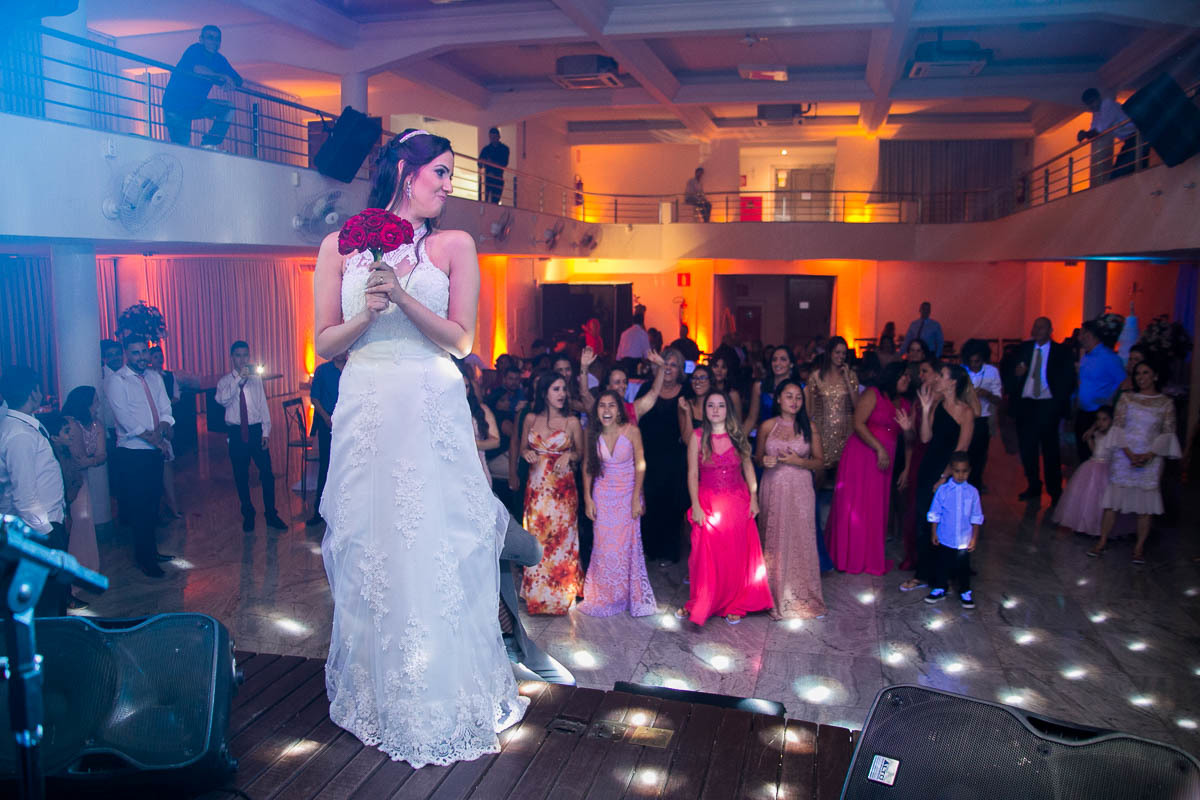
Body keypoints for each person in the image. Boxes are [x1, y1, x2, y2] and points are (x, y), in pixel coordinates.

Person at [315, 128, 528, 766]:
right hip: (366, 403)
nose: (447, 184)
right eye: (440, 171)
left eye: (449, 174)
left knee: (434, 543)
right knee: (371, 545)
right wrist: (368, 311)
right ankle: (377, 695)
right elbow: (325, 343)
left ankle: (442, 693)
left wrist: (403, 296)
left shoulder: (454, 244)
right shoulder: (338, 246)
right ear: (407, 174)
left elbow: (462, 341)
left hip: (429, 403)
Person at [678, 391, 773, 626]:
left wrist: (754, 497)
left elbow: (748, 467)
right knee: (704, 554)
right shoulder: (697, 437)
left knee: (735, 555)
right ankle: (704, 600)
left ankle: (735, 602)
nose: (715, 409)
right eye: (711, 405)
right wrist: (695, 505)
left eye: (720, 405)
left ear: (727, 409)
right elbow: (692, 474)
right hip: (708, 501)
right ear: (705, 410)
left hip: (737, 502)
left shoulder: (737, 435)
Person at [826, 362, 914, 576]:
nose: (907, 379)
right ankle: (847, 556)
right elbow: (858, 423)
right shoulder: (874, 394)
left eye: (908, 376)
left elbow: (910, 440)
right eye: (903, 375)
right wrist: (879, 448)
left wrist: (907, 464)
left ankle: (867, 556)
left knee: (875, 505)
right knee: (854, 504)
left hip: (884, 460)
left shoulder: (905, 403)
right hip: (861, 454)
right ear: (893, 376)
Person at [1090, 362, 1181, 564]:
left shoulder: (1165, 402)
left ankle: (1138, 548)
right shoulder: (1127, 398)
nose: (1141, 377)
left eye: (1145, 373)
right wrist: (1129, 454)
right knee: (1113, 501)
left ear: (1155, 375)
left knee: (1146, 506)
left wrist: (1149, 455)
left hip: (1151, 457)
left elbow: (1168, 432)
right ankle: (1102, 542)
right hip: (1125, 455)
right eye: (1138, 373)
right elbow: (1118, 427)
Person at [578, 390, 656, 617]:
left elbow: (640, 464)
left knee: (625, 546)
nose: (606, 410)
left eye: (611, 405)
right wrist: (587, 498)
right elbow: (587, 466)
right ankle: (605, 594)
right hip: (602, 494)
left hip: (627, 494)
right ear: (596, 410)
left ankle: (624, 594)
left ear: (619, 410)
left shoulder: (632, 431)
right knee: (603, 546)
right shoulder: (591, 432)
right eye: (602, 405)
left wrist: (636, 498)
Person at [105, 336, 176, 577]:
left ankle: (152, 551)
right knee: (139, 506)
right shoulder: (117, 381)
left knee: (153, 503)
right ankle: (144, 559)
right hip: (133, 453)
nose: (142, 357)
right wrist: (156, 439)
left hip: (155, 449)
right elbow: (125, 420)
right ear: (127, 354)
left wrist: (162, 430)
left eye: (144, 352)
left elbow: (166, 408)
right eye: (135, 353)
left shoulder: (155, 377)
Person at [0, 368, 68, 615]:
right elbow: (25, 498)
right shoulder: (19, 434)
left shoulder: (19, 426)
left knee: (50, 599)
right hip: (38, 531)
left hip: (40, 526)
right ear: (34, 393)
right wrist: (47, 534)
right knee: (47, 604)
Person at [901, 363, 974, 592]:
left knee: (946, 524)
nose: (937, 379)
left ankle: (943, 576)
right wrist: (924, 410)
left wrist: (944, 477)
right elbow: (925, 438)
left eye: (942, 375)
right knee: (924, 521)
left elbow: (962, 449)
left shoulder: (966, 412)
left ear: (953, 382)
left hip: (950, 473)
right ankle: (922, 574)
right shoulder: (937, 405)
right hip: (928, 467)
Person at [756, 380, 826, 619]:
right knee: (774, 539)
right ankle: (772, 596)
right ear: (778, 399)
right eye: (789, 396)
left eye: (798, 397)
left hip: (801, 489)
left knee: (801, 539)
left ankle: (802, 596)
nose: (794, 401)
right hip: (773, 488)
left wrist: (800, 461)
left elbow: (820, 463)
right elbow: (756, 458)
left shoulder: (809, 427)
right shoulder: (767, 426)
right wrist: (764, 460)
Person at [518, 372, 584, 614]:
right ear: (544, 392)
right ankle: (537, 595)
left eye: (564, 389)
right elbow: (522, 448)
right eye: (556, 389)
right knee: (536, 540)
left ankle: (561, 595)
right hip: (536, 491)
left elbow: (582, 454)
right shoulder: (530, 418)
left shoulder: (572, 422)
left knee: (562, 541)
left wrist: (570, 455)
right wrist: (526, 453)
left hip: (562, 493)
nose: (562, 394)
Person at [216, 341, 286, 533]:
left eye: (245, 355)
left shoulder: (256, 380)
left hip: (255, 431)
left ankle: (271, 514)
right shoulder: (225, 382)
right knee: (241, 475)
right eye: (238, 355)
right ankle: (248, 513)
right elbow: (223, 400)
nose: (242, 359)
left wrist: (266, 432)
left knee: (267, 474)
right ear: (232, 357)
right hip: (236, 433)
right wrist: (239, 378)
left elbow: (263, 405)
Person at [1004, 317, 1075, 504]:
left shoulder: (1061, 352)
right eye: (1035, 327)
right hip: (1026, 404)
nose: (1037, 330)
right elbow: (1009, 373)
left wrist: (1059, 404)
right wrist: (1017, 375)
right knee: (1028, 448)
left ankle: (1054, 489)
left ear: (1050, 330)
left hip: (1047, 404)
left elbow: (1068, 379)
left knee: (1050, 449)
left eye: (1041, 327)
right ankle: (1033, 485)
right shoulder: (1024, 349)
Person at [636, 348, 689, 564]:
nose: (668, 368)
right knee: (649, 500)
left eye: (673, 365)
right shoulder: (647, 389)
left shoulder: (686, 391)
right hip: (648, 454)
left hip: (674, 458)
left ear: (680, 370)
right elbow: (635, 419)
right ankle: (649, 550)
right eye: (665, 363)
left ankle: (669, 552)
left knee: (672, 504)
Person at [59, 386, 107, 605]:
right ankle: (73, 578)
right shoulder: (70, 424)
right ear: (85, 403)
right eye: (95, 401)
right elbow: (77, 459)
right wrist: (92, 460)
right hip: (68, 478)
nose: (98, 405)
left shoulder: (97, 424)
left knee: (84, 523)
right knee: (78, 522)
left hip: (82, 478)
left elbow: (102, 455)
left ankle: (86, 571)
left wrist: (91, 460)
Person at [161, 25, 243, 149]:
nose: (214, 41)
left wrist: (230, 81)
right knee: (182, 148)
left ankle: (209, 143)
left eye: (217, 39)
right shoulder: (195, 50)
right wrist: (221, 76)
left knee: (228, 108)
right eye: (210, 37)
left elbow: (238, 80)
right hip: (176, 105)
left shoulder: (219, 59)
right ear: (201, 39)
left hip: (196, 104)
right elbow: (197, 68)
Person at [924, 452, 983, 607]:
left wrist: (974, 537)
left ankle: (965, 591)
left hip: (964, 538)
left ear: (969, 470)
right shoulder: (943, 490)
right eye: (957, 471)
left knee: (963, 566)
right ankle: (940, 588)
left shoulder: (973, 492)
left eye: (964, 471)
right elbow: (935, 512)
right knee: (942, 563)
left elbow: (976, 516)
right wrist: (934, 532)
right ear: (951, 470)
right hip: (946, 536)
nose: (960, 475)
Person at [1054, 405, 1116, 536]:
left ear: (1112, 420)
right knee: (1088, 498)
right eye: (1098, 419)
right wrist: (1090, 438)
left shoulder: (1114, 436)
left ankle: (1100, 527)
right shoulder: (1098, 434)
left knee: (1101, 498)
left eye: (1104, 419)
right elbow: (1095, 451)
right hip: (1092, 465)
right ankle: (1085, 525)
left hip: (1106, 468)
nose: (1100, 422)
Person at [1075, 320, 1126, 462]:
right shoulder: (1085, 356)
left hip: (1099, 415)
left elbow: (1123, 383)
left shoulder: (1109, 357)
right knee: (1083, 455)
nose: (1080, 337)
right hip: (1083, 412)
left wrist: (1109, 402)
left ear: (1091, 335)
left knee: (1098, 457)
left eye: (1082, 333)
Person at [307, 351, 346, 526]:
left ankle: (343, 510)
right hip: (327, 423)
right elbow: (315, 397)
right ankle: (319, 511)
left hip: (348, 423)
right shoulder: (322, 370)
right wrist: (326, 418)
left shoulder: (352, 369)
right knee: (326, 465)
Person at [1078, 88, 1144, 184]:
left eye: (1092, 102)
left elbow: (1097, 131)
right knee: (1122, 171)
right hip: (1130, 140)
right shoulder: (1097, 113)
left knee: (1120, 172)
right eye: (1088, 104)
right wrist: (1085, 134)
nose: (1091, 106)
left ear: (1098, 98)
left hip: (1137, 136)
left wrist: (1084, 134)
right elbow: (1093, 132)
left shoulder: (1107, 104)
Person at [961, 339, 1002, 491]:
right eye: (970, 362)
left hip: (983, 418)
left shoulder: (992, 372)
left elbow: (998, 399)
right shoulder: (962, 371)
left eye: (977, 361)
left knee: (979, 454)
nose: (973, 365)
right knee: (964, 450)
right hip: (963, 417)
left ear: (983, 358)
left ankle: (976, 483)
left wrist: (987, 394)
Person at [148, 346, 183, 519]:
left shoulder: (169, 376)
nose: (159, 359)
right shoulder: (146, 378)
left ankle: (172, 505)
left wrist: (165, 406)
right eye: (155, 357)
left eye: (160, 356)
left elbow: (176, 396)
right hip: (150, 425)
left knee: (168, 465)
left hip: (166, 422)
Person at [478, 127, 510, 204]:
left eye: (494, 137)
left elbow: (504, 163)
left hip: (497, 178)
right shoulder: (486, 149)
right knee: (483, 201)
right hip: (487, 178)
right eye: (491, 137)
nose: (492, 139)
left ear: (499, 137)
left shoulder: (504, 149)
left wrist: (491, 162)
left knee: (495, 202)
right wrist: (485, 162)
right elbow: (479, 163)